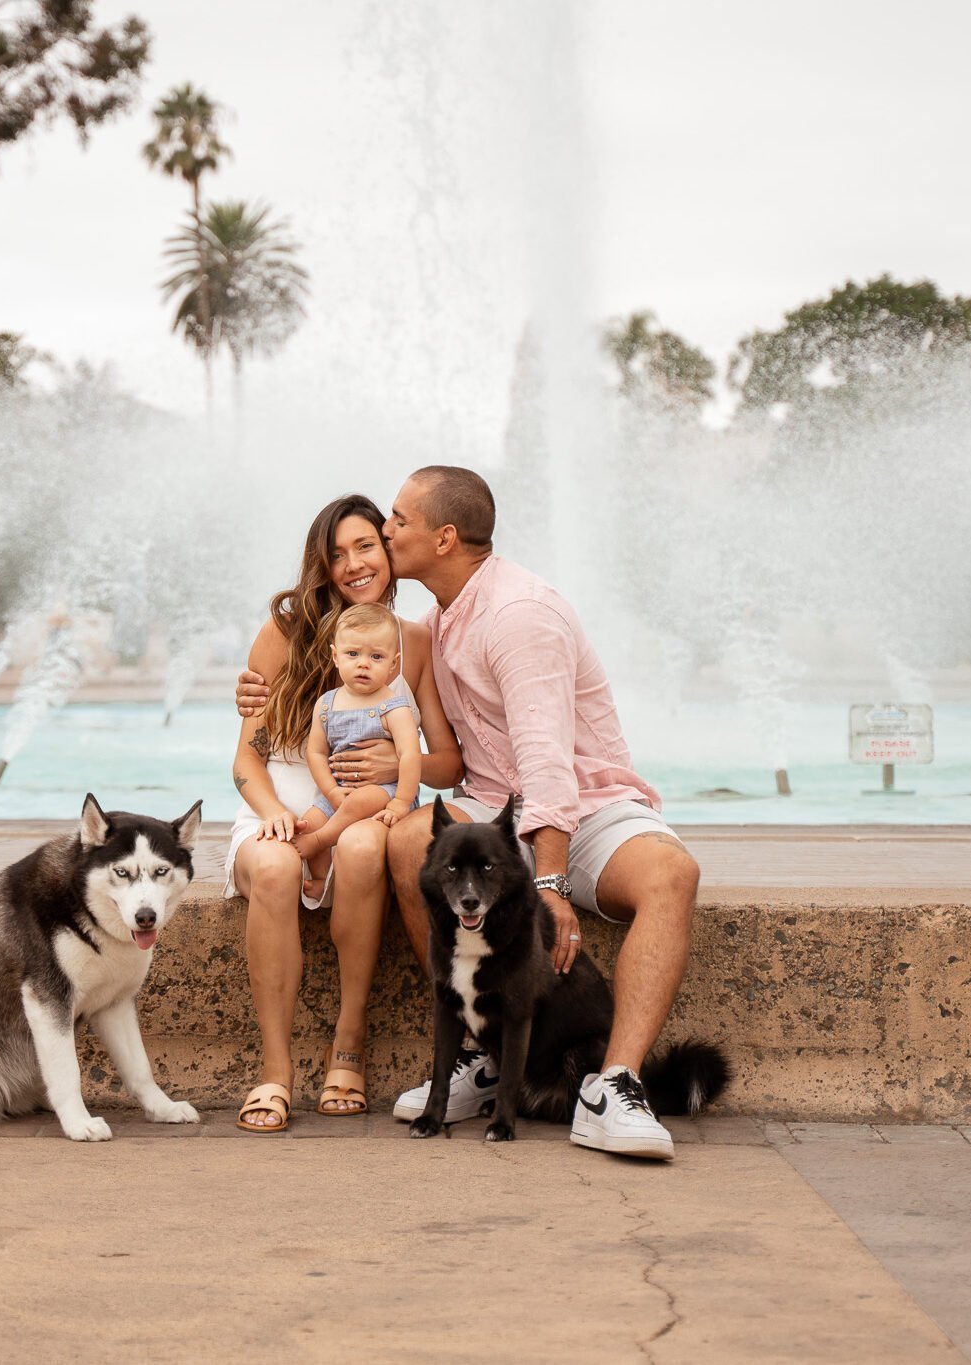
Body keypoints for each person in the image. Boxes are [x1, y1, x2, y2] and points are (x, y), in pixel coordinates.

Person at [237, 468, 701, 1160]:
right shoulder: (433, 622)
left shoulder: (518, 616)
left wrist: (546, 883)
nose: (386, 534)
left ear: (443, 538)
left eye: (395, 521)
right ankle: (483, 1056)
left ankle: (615, 1083)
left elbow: (547, 765)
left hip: (586, 800)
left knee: (671, 873)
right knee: (404, 845)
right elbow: (393, 714)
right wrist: (258, 691)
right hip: (491, 807)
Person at [225, 494, 462, 1133]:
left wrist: (392, 768)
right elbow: (246, 765)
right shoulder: (284, 634)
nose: (355, 564)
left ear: (388, 553)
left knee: (362, 849)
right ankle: (275, 1074)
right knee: (275, 869)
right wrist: (275, 813)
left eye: (366, 547)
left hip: (361, 817)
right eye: (337, 554)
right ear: (321, 566)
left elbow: (447, 764)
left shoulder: (412, 643)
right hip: (280, 814)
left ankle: (347, 1048)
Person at [291, 603, 422, 901]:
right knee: (308, 822)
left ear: (393, 664)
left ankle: (321, 841)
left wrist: (401, 801)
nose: (363, 664)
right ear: (336, 656)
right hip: (339, 790)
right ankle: (325, 878)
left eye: (376, 656)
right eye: (353, 654)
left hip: (385, 791)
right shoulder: (326, 704)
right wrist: (332, 793)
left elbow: (410, 755)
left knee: (358, 802)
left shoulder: (393, 706)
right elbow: (316, 753)